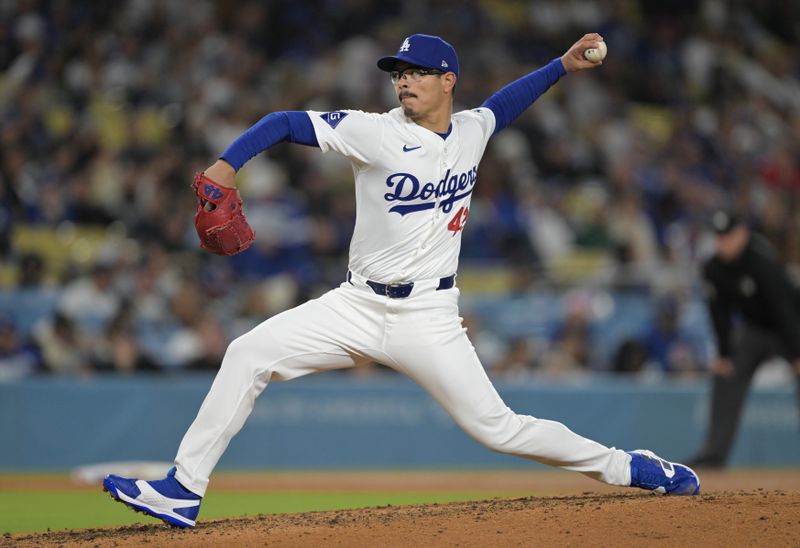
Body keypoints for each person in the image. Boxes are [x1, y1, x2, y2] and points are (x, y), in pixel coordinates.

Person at [103, 33, 699, 528]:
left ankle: (629, 467)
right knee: (246, 353)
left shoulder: (471, 131)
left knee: (498, 429)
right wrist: (225, 165)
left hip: (429, 319)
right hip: (356, 304)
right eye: (398, 72)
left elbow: (507, 104)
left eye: (417, 71)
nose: (403, 80)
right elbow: (285, 122)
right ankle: (184, 488)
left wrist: (561, 68)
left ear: (448, 81)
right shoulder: (375, 131)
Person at [690, 210, 800, 468]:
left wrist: (797, 353)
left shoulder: (760, 260)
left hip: (792, 326)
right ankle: (713, 455)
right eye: (719, 237)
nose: (723, 242)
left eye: (728, 236)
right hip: (755, 329)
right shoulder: (713, 268)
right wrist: (724, 354)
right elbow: (720, 314)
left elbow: (783, 308)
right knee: (726, 373)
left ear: (742, 234)